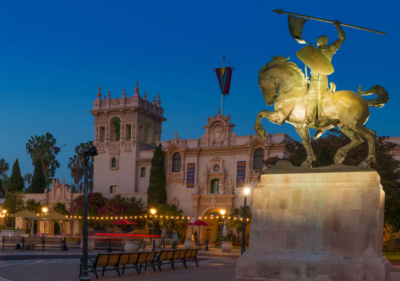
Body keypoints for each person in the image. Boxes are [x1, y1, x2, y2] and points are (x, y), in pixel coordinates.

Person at [306, 20, 345, 126]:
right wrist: (337, 26)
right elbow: (342, 38)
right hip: (321, 78)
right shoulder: (331, 49)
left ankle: (309, 118)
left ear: (317, 43)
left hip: (318, 80)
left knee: (312, 97)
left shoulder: (314, 52)